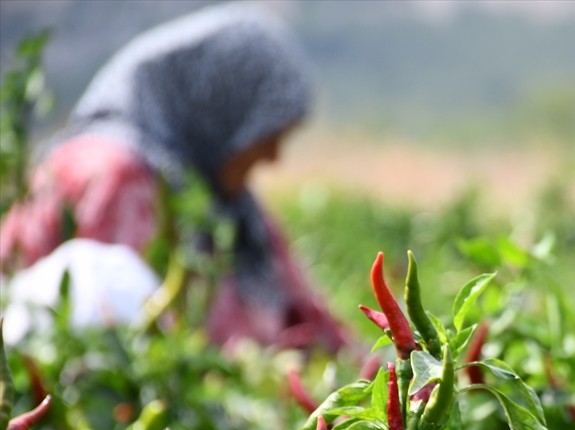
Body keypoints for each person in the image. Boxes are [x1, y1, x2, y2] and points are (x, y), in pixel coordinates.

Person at [0, 3, 350, 352]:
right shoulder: (117, 177)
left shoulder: (223, 197)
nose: (273, 156)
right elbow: (119, 339)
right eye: (266, 135)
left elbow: (317, 322)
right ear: (223, 109)